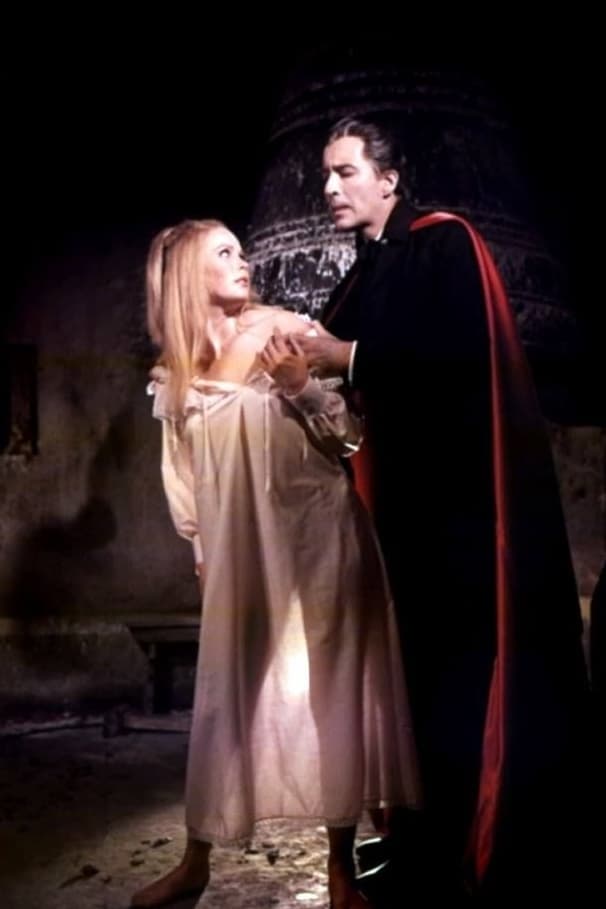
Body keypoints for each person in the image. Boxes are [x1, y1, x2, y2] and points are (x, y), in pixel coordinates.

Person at [294, 117, 592, 899]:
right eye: (325, 173)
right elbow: (318, 345)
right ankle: (421, 847)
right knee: (415, 686)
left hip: (461, 518)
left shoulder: (444, 242)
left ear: (389, 179)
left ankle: (468, 849)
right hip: (402, 518)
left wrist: (348, 357)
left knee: (456, 682)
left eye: (346, 171)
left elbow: (456, 356)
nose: (330, 187)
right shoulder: (370, 267)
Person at [132, 218, 421, 908]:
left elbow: (348, 438)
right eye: (224, 253)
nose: (244, 261)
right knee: (226, 693)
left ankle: (341, 870)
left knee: (333, 692)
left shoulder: (288, 330)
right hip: (242, 551)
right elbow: (184, 476)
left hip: (320, 536)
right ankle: (196, 859)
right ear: (189, 276)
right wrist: (202, 551)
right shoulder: (177, 374)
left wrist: (299, 384)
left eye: (240, 249)